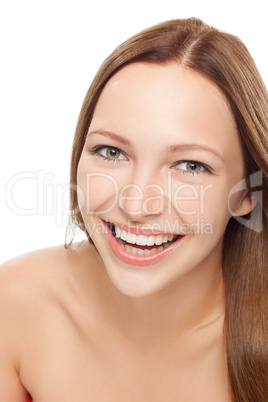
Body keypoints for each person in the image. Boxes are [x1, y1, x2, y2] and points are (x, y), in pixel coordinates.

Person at [0, 17, 267, 402]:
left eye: (191, 166)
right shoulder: (16, 305)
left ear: (248, 191)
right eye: (111, 152)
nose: (136, 204)